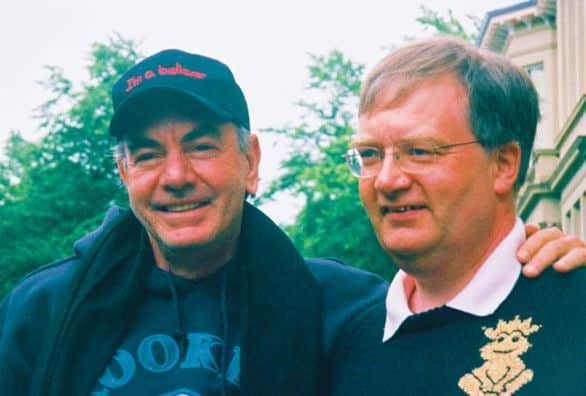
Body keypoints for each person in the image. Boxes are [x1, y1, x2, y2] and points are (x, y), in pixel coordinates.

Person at [0, 49, 583, 396]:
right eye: (147, 155)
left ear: (251, 162)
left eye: (202, 147)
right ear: (124, 172)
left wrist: (538, 267)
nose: (174, 175)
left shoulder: (341, 308)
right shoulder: (43, 309)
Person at [331, 37, 586, 395]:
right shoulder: (342, 340)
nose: (387, 179)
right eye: (371, 153)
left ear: (503, 165)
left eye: (419, 151)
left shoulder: (576, 311)